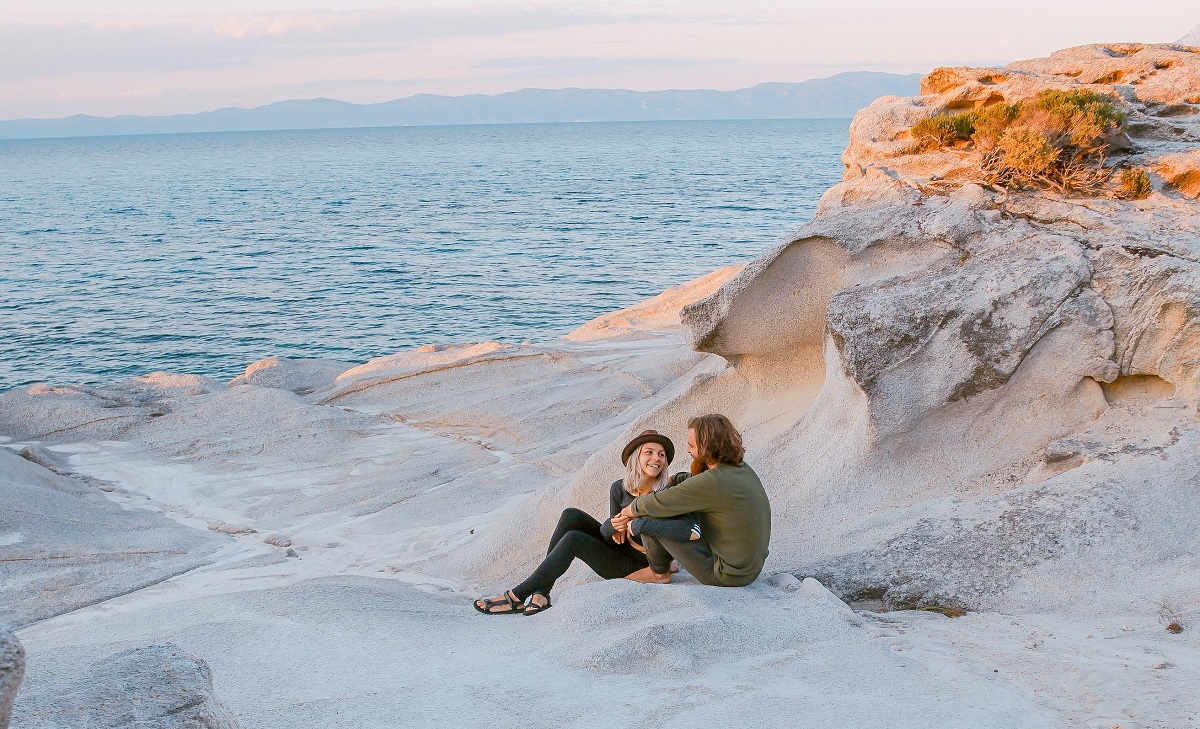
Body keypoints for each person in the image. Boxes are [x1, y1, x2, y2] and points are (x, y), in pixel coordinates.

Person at [472, 430, 700, 616]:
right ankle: (542, 591)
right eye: (649, 452)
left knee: (574, 540)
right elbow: (608, 535)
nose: (656, 459)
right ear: (636, 458)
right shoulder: (619, 488)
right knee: (571, 515)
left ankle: (517, 596)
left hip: (640, 564)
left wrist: (635, 523)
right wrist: (614, 526)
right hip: (620, 551)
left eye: (661, 455)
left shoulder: (667, 493)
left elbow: (673, 532)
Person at [613, 414, 770, 587]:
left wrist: (629, 510)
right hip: (749, 568)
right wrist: (672, 480)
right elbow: (692, 480)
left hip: (727, 574)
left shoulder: (713, 482)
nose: (689, 451)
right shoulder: (739, 469)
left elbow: (660, 502)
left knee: (650, 513)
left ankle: (658, 573)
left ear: (706, 447)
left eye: (691, 445)